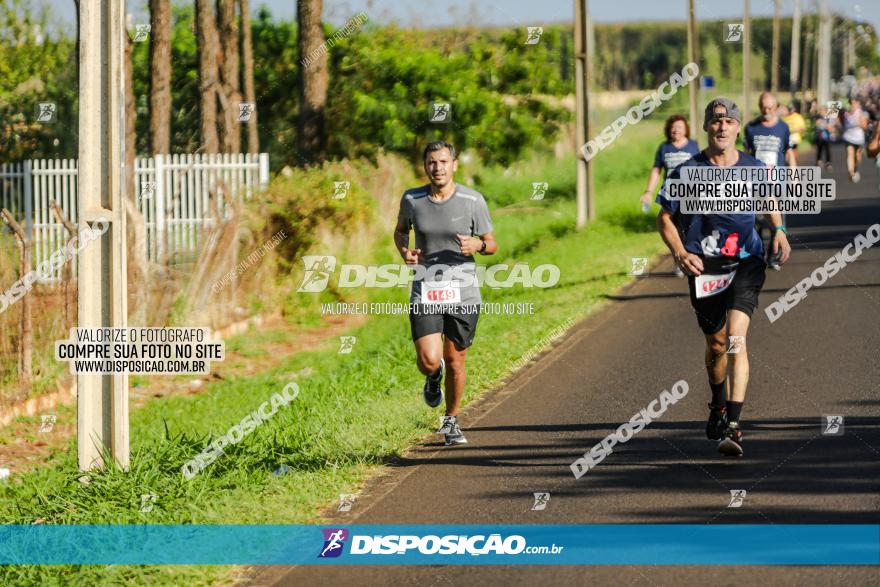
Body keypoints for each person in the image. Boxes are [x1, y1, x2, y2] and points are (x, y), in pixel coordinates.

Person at [656, 97, 792, 457]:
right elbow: (665, 217)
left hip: (746, 262)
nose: (722, 127)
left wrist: (778, 229)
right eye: (716, 121)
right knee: (716, 344)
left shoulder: (753, 168)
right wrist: (680, 253)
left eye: (729, 121)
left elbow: (768, 200)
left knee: (735, 339)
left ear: (736, 128)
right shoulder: (686, 171)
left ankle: (734, 424)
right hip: (704, 267)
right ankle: (717, 403)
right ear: (706, 127)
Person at [394, 141, 497, 446]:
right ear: (424, 166)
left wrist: (476, 245)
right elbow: (400, 230)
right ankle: (431, 375)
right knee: (429, 360)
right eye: (431, 162)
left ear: (454, 165)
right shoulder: (412, 199)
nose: (437, 168)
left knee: (456, 360)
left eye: (442, 162)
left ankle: (451, 421)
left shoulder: (472, 200)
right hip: (427, 288)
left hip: (462, 292)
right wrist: (405, 251)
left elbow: (491, 243)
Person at [640, 115, 700, 277]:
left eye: (680, 127)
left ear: (685, 129)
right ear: (669, 129)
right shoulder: (664, 148)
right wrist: (648, 192)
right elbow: (656, 171)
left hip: (691, 194)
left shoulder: (694, 146)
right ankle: (679, 261)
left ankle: (693, 258)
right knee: (674, 229)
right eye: (673, 127)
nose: (676, 130)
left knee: (690, 229)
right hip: (671, 195)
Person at [744, 91, 791, 271]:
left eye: (770, 107)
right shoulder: (751, 128)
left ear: (776, 108)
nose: (767, 110)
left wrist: (793, 178)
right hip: (757, 182)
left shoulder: (783, 128)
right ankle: (758, 254)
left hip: (778, 181)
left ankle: (773, 256)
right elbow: (746, 155)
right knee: (755, 220)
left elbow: (789, 154)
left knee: (776, 221)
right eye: (763, 107)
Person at [841, 98, 869, 183]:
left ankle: (855, 169)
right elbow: (837, 119)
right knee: (850, 153)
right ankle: (851, 172)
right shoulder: (845, 113)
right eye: (851, 103)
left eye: (854, 103)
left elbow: (865, 126)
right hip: (848, 137)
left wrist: (859, 124)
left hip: (858, 138)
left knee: (857, 156)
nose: (852, 105)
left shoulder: (860, 113)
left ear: (857, 104)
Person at [782, 103, 807, 168]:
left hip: (795, 138)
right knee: (787, 151)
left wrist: (796, 130)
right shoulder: (785, 117)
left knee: (793, 152)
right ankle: (789, 164)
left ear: (793, 109)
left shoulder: (798, 116)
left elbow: (802, 128)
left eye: (791, 109)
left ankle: (792, 164)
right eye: (789, 109)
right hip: (787, 138)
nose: (790, 111)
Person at [814, 106, 835, 170]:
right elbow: (817, 124)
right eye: (821, 111)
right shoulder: (818, 117)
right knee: (819, 150)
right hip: (819, 137)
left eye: (824, 111)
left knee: (827, 150)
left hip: (827, 137)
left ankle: (828, 163)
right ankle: (818, 161)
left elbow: (831, 128)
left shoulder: (829, 119)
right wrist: (826, 126)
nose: (823, 112)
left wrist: (829, 128)